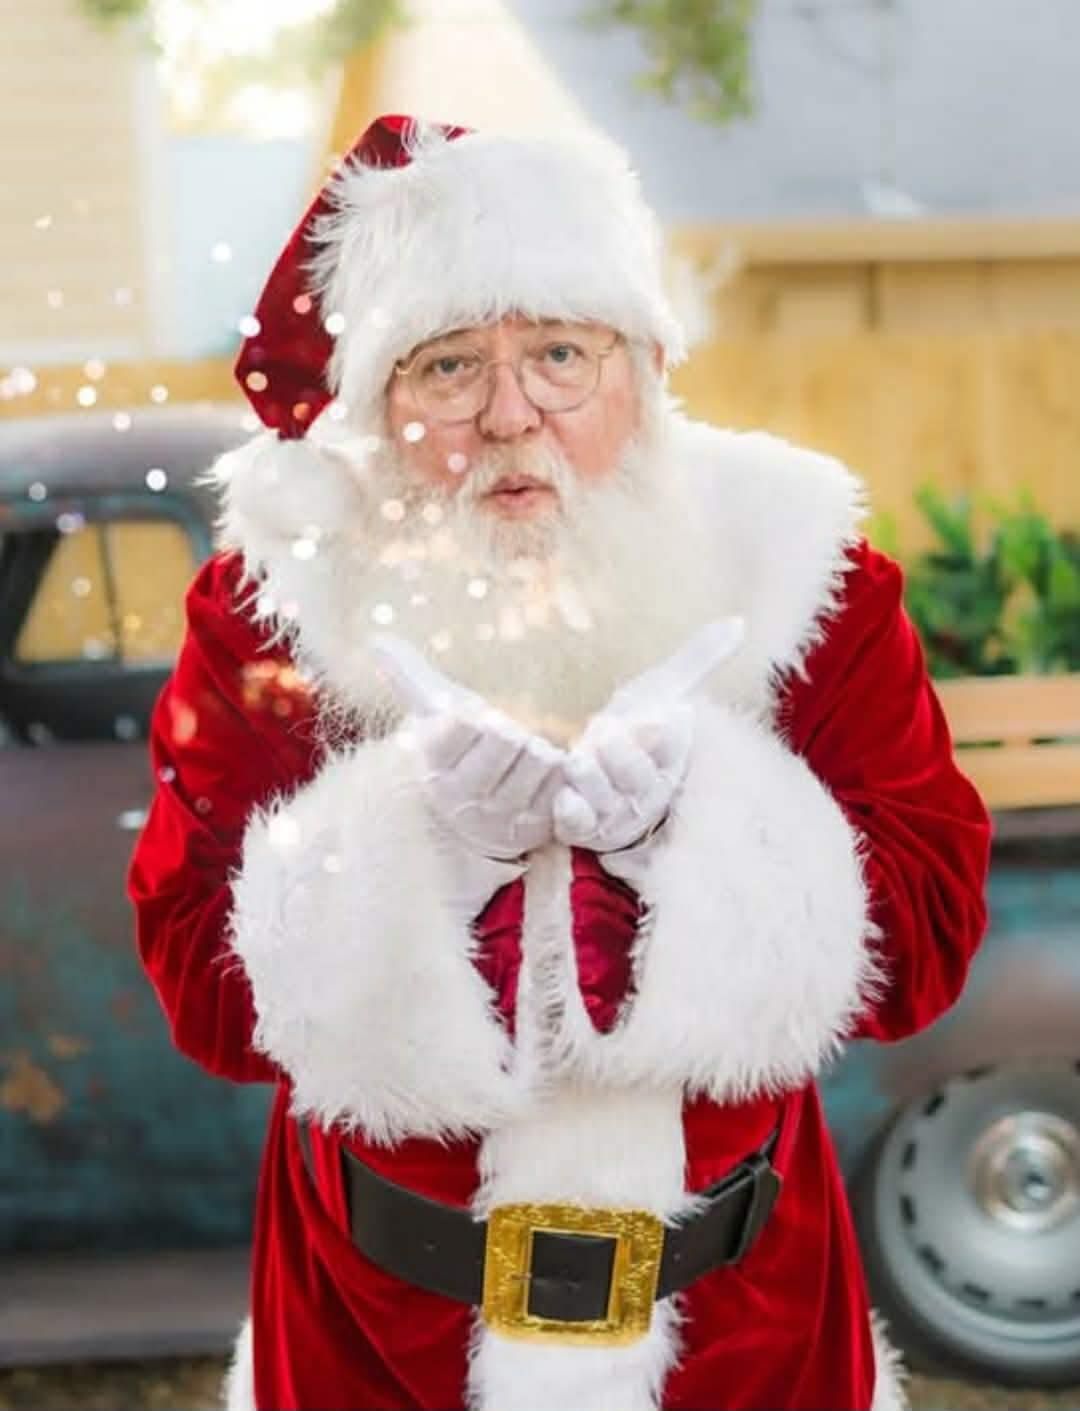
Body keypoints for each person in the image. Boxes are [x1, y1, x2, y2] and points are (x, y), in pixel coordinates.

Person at [128, 114, 991, 1411]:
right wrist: (412, 848)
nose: (509, 413)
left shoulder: (802, 577)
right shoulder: (280, 610)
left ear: (643, 369)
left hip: (744, 1332)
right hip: (377, 1336)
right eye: (446, 367)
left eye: (558, 353)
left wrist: (701, 835)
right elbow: (200, 979)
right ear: (376, 404)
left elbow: (926, 936)